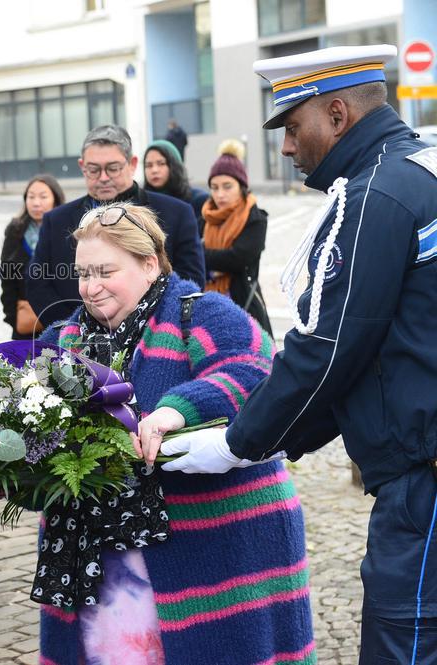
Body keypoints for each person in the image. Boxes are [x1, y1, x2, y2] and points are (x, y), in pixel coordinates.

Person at [161, 44, 437, 665]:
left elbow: (332, 349)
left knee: (407, 642)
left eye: (291, 126)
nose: (286, 147)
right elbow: (378, 355)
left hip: (426, 485)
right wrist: (276, 440)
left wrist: (238, 443)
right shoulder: (422, 168)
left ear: (337, 114)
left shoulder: (376, 194)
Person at [38, 202, 315, 664]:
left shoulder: (199, 313)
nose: (91, 286)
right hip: (105, 574)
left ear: (149, 264)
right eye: (83, 274)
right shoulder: (65, 338)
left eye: (106, 270)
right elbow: (8, 386)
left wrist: (177, 409)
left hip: (218, 554)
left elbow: (254, 368)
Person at [27, 125, 205, 328]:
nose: (103, 177)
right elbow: (37, 282)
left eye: (112, 168)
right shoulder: (56, 220)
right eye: (93, 170)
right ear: (82, 166)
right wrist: (76, 329)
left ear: (132, 164)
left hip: (156, 336)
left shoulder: (177, 213)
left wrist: (148, 329)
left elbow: (191, 280)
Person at [198, 139, 273, 336]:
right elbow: (190, 257)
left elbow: (238, 259)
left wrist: (202, 254)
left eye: (227, 186)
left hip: (243, 306)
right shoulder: (205, 218)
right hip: (205, 307)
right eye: (214, 187)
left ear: (241, 186)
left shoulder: (255, 219)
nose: (220, 194)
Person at [1, 174, 65, 339]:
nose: (36, 203)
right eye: (31, 197)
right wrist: (12, 318)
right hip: (25, 323)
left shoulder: (66, 230)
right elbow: (7, 277)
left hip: (61, 323)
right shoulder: (15, 231)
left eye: (43, 197)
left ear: (55, 199)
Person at [142, 139, 207, 220]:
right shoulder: (140, 204)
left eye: (161, 164)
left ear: (174, 166)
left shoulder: (198, 201)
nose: (154, 170)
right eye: (149, 165)